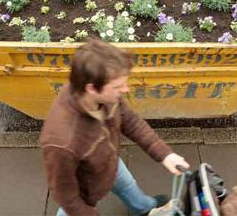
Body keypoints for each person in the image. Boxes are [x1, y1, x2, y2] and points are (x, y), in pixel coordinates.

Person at [39, 38, 190, 216]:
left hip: (108, 160)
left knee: (128, 185)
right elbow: (67, 197)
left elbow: (130, 121)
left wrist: (165, 154)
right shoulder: (62, 142)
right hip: (85, 186)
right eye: (118, 86)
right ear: (92, 89)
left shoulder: (101, 94)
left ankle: (144, 208)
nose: (125, 90)